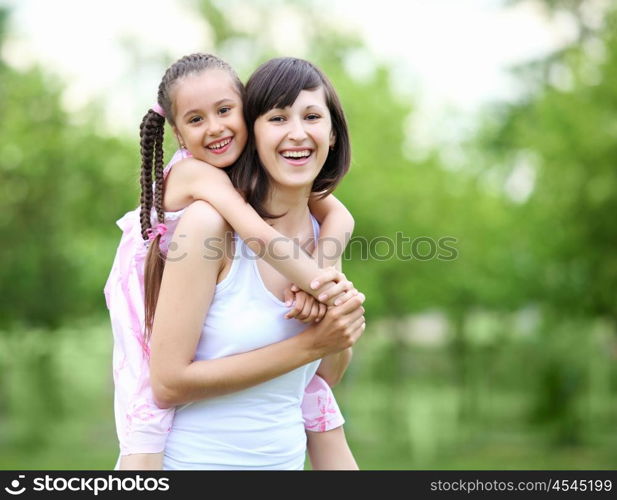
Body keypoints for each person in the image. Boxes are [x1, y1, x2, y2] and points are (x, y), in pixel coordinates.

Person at [104, 54, 363, 470]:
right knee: (142, 419)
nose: (297, 133)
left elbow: (319, 377)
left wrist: (332, 310)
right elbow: (167, 382)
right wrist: (319, 311)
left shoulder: (320, 231)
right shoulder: (207, 212)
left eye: (312, 116)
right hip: (191, 463)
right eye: (278, 118)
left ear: (333, 133)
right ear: (256, 128)